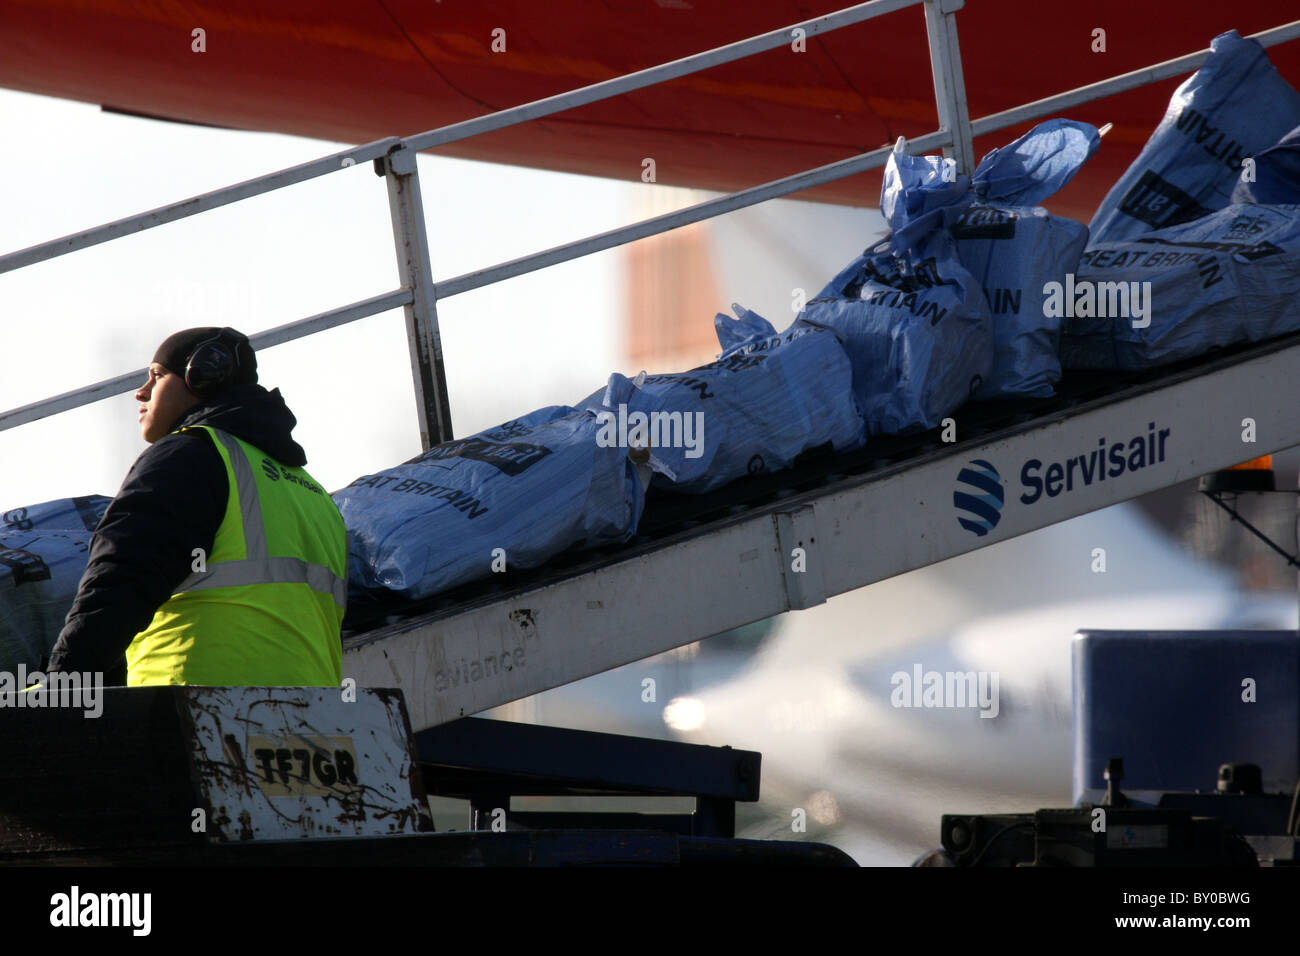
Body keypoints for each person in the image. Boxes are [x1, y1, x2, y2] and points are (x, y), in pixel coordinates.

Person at [47, 327, 347, 686]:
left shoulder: (188, 456)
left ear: (200, 375)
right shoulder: (312, 492)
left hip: (194, 708)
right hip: (314, 715)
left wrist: (64, 683)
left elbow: (122, 577)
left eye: (157, 376)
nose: (141, 392)